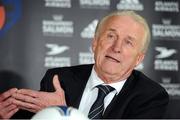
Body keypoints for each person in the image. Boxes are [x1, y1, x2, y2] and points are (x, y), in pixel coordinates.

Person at [2, 10, 169, 119]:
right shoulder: (59, 80)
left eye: (128, 42)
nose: (116, 48)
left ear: (138, 59)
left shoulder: (151, 96)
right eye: (111, 36)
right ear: (95, 43)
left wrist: (63, 115)